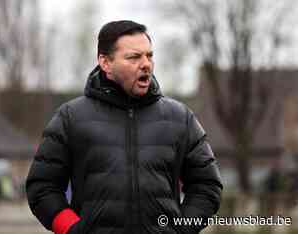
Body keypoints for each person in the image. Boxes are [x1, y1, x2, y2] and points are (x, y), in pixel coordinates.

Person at [26, 20, 223, 234]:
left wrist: (181, 230)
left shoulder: (180, 118)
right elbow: (42, 187)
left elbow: (207, 186)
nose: (146, 64)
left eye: (149, 55)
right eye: (134, 57)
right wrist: (73, 230)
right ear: (105, 62)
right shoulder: (70, 118)